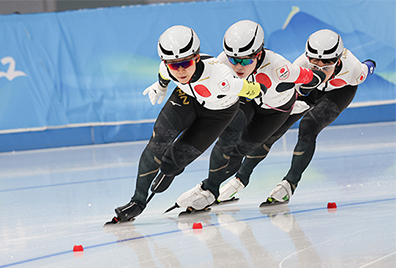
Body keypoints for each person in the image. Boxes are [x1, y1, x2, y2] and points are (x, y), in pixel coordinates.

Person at [110, 25, 264, 223]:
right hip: (187, 98)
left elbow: (254, 89)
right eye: (174, 65)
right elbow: (164, 73)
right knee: (158, 143)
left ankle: (170, 170)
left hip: (218, 113)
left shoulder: (221, 77)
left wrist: (256, 91)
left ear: (197, 58)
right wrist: (161, 86)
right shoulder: (167, 67)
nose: (181, 70)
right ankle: (137, 201)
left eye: (186, 63)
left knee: (173, 161)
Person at [175, 20, 325, 212]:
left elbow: (314, 78)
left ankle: (219, 184)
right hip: (249, 98)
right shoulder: (221, 62)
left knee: (242, 149)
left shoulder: (279, 67)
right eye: (233, 59)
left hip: (275, 110)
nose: (238, 66)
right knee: (228, 138)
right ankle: (210, 188)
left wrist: (305, 92)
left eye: (245, 60)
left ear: (259, 54)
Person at [218, 29, 376, 207]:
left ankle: (289, 184)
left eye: (327, 64)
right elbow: (292, 92)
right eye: (314, 62)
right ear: (308, 57)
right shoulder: (300, 64)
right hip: (307, 87)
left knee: (309, 126)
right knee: (274, 129)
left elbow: (369, 66)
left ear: (338, 60)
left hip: (339, 92)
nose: (320, 68)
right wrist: (299, 97)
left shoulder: (355, 70)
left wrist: (369, 63)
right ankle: (240, 178)